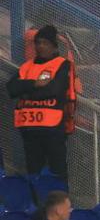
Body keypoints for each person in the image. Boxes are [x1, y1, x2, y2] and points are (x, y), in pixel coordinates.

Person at [8, 24, 74, 183]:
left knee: (57, 172)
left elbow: (54, 90)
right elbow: (11, 88)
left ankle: (60, 206)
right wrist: (34, 84)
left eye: (45, 43)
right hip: (29, 128)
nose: (41, 46)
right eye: (38, 42)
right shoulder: (27, 66)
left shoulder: (62, 64)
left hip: (53, 129)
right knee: (34, 174)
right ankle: (38, 206)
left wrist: (25, 89)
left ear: (53, 46)